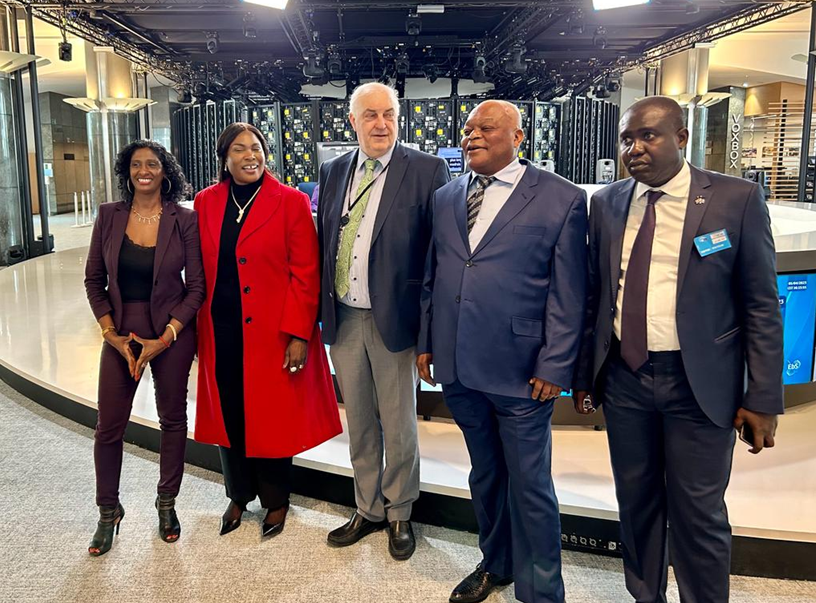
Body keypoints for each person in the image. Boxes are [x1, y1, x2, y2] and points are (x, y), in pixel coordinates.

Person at [572, 96, 783, 603]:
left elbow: (761, 306)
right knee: (636, 503)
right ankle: (646, 596)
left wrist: (762, 398)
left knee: (698, 511)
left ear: (681, 138)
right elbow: (595, 297)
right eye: (627, 139)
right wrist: (584, 376)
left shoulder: (736, 199)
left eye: (648, 136)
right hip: (625, 378)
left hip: (700, 383)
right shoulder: (607, 203)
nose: (635, 149)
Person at [417, 100, 587, 603]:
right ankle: (496, 564)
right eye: (468, 129)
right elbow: (433, 276)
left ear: (517, 137)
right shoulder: (447, 196)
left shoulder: (561, 197)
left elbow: (570, 293)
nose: (471, 136)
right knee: (486, 475)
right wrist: (427, 342)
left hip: (523, 372)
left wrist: (555, 364)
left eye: (485, 128)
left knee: (530, 485)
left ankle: (541, 592)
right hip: (458, 367)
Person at [317, 82, 450, 560]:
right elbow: (325, 238)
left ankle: (399, 512)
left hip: (396, 318)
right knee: (359, 422)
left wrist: (430, 331)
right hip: (344, 315)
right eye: (370, 115)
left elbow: (438, 256)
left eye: (389, 114)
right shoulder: (334, 170)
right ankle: (368, 507)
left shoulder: (427, 169)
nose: (381, 124)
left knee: (399, 424)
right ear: (352, 121)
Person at [194, 123, 341, 539]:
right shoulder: (206, 202)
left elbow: (306, 273)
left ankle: (276, 500)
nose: (250, 155)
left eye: (256, 147)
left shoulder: (291, 201)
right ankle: (238, 494)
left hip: (272, 331)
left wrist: (298, 333)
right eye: (239, 149)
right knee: (230, 412)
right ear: (225, 158)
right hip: (220, 328)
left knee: (272, 416)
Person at [84, 140, 204, 556]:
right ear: (127, 171)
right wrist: (110, 334)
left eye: (152, 164)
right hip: (121, 333)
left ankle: (166, 503)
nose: (144, 171)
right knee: (108, 426)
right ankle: (107, 511)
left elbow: (197, 288)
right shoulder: (108, 216)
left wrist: (167, 336)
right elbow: (93, 280)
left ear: (165, 171)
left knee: (173, 419)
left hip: (171, 332)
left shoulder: (183, 219)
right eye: (136, 164)